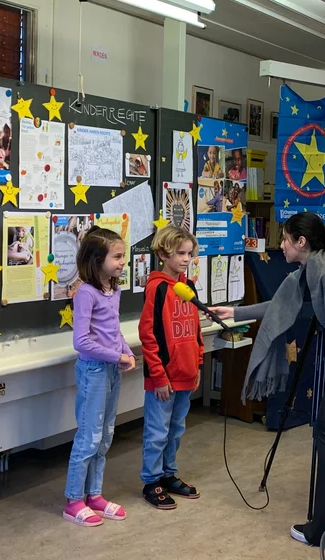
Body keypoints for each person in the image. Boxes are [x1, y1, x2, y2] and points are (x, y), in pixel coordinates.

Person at [209, 212, 325, 546]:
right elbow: (281, 304)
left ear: (301, 242)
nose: (281, 245)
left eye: (285, 239)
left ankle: (324, 527)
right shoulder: (313, 269)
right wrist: (233, 312)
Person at [62, 226, 136, 527]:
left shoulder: (113, 290)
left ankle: (94, 494)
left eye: (123, 257)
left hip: (111, 369)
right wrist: (116, 356)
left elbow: (112, 331)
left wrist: (126, 351)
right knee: (89, 437)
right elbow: (81, 342)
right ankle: (73, 499)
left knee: (105, 435)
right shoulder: (85, 294)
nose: (122, 262)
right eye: (117, 257)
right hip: (93, 371)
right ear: (96, 259)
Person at [138, 226, 204, 509]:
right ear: (164, 253)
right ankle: (151, 481)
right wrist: (158, 375)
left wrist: (198, 363)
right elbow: (148, 334)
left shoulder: (188, 287)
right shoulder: (157, 288)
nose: (186, 259)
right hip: (163, 379)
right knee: (157, 431)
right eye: (180, 253)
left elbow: (196, 328)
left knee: (176, 429)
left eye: (189, 253)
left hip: (186, 374)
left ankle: (168, 474)